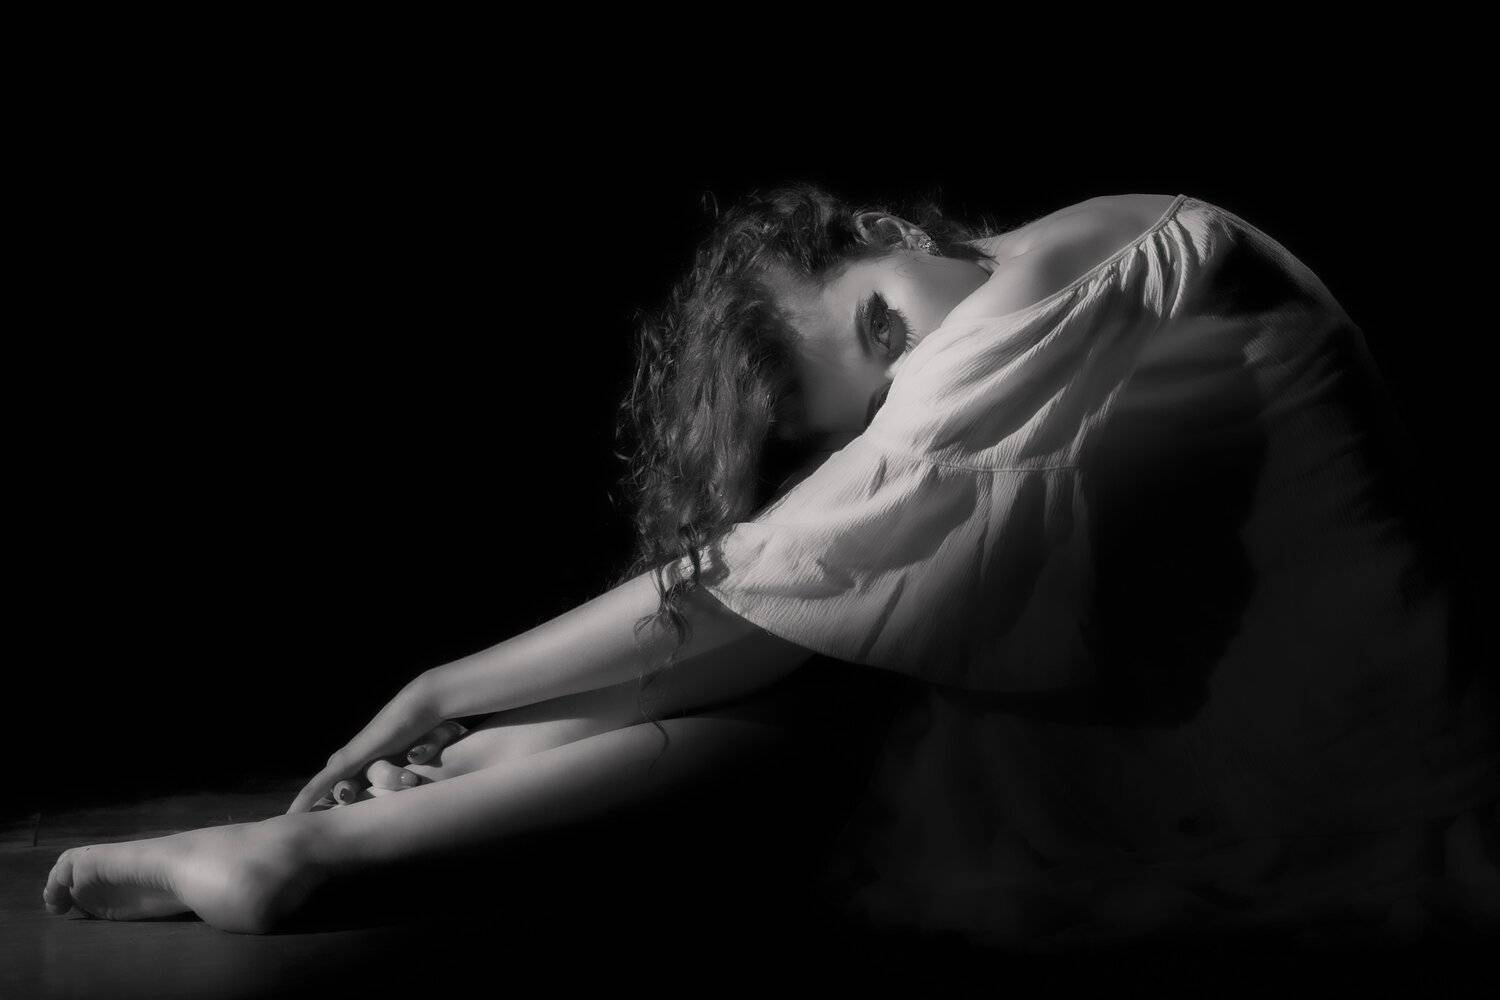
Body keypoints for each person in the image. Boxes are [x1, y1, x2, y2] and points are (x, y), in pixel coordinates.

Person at [41, 184, 1500, 953]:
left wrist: (440, 687)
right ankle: (434, 794)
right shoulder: (1033, 314)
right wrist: (499, 711)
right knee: (830, 652)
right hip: (1225, 723)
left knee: (826, 709)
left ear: (889, 231)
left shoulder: (1075, 279)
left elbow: (786, 571)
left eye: (879, 326)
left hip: (1316, 779)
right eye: (871, 397)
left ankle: (318, 848)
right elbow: (804, 571)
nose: (906, 376)